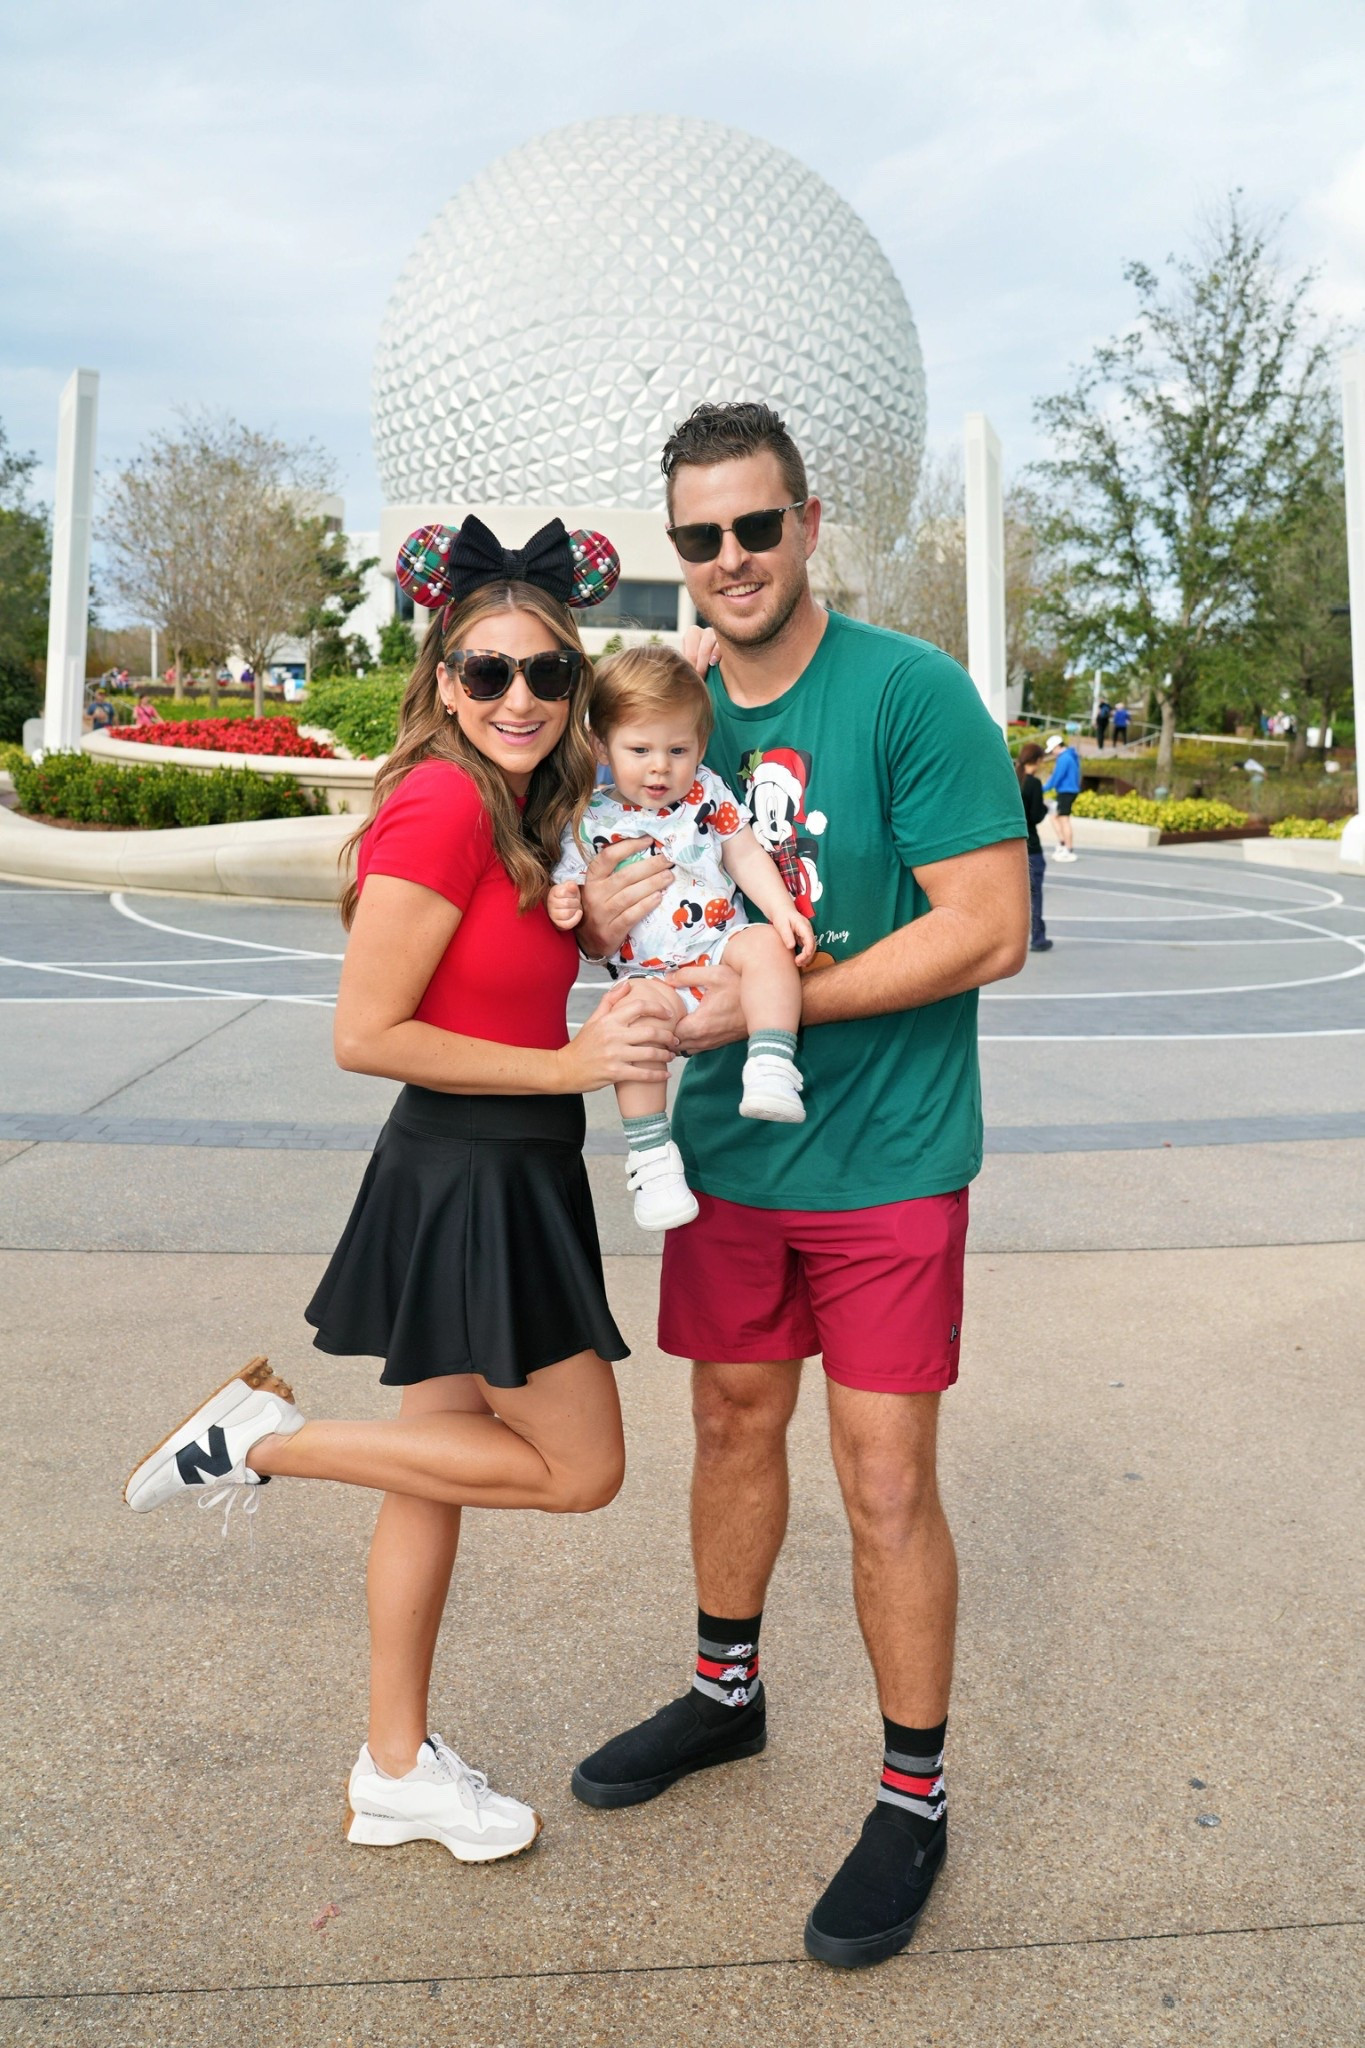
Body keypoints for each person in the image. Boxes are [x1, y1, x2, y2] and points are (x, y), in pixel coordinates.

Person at [123, 514, 679, 1865]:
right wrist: (569, 1063)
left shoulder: (512, 811)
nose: (520, 699)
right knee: (579, 1470)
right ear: (442, 676)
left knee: (431, 1476)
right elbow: (364, 1034)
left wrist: (584, 931)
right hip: (476, 1174)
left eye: (548, 675)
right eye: (487, 672)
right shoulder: (439, 800)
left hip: (487, 1168)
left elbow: (480, 970)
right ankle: (255, 1441)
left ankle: (393, 1767)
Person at [569, 402, 1029, 1969]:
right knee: (727, 1422)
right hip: (729, 1165)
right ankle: (725, 1696)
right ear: (673, 548)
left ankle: (912, 1796)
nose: (729, 561)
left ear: (810, 521)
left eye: (754, 528)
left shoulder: (909, 693)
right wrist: (603, 928)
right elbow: (590, 896)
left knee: (886, 1479)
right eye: (698, 538)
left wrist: (779, 1001)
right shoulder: (656, 711)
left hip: (888, 1162)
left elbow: (987, 925)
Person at [548, 645, 816, 1230]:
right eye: (639, 750)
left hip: (720, 942)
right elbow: (569, 885)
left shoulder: (708, 794)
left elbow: (744, 854)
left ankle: (771, 1062)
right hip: (650, 976)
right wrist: (563, 900)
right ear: (602, 747)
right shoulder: (589, 820)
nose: (660, 768)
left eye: (678, 750)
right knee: (632, 1023)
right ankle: (652, 1160)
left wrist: (781, 912)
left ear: (700, 745)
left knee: (768, 948)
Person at [1016, 742, 1052, 951]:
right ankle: (1037, 937)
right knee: (1035, 895)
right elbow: (1036, 815)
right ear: (1037, 760)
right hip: (1032, 846)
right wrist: (1045, 808)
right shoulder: (1033, 784)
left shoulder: (1013, 779)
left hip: (1012, 847)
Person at [1044, 732, 1081, 860]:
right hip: (1069, 791)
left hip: (1066, 792)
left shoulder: (1064, 758)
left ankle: (1068, 848)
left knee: (1063, 819)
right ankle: (1063, 844)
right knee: (1056, 816)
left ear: (1057, 747)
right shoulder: (1070, 756)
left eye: (1052, 750)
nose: (1052, 753)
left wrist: (1042, 789)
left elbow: (1056, 777)